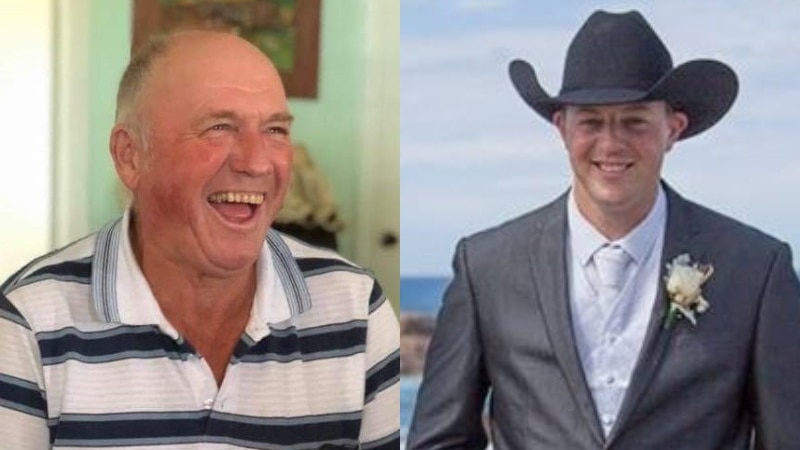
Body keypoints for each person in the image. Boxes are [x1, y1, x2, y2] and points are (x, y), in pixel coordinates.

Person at [407, 10, 800, 450]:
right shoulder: (486, 268)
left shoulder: (756, 269)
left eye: (635, 121)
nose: (611, 143)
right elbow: (438, 441)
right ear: (562, 128)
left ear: (673, 129)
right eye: (591, 121)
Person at [0, 31, 399, 449]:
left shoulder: (356, 310)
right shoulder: (29, 321)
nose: (257, 162)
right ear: (130, 156)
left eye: (275, 130)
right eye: (219, 127)